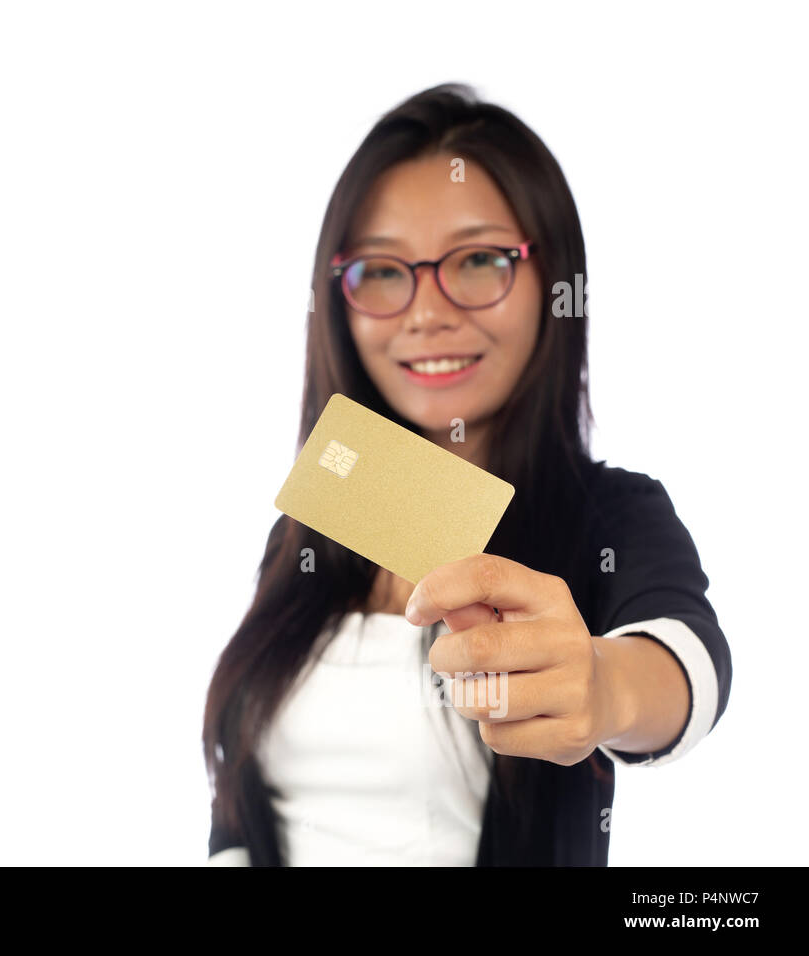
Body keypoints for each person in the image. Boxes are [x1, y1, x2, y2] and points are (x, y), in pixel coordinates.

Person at [202, 83, 732, 866]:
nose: (425, 312)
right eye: (381, 271)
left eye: (479, 260)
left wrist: (602, 686)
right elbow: (242, 810)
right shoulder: (308, 528)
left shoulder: (609, 515)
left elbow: (680, 665)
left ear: (555, 280)